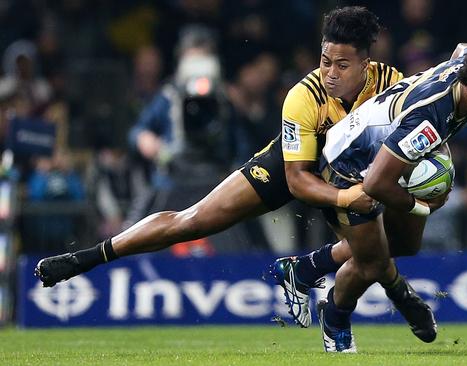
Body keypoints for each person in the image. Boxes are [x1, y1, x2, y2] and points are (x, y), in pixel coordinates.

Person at [33, 6, 401, 300]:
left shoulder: (393, 86)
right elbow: (297, 179)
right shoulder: (304, 95)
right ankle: (85, 258)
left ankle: (356, 288)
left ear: (365, 66)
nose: (329, 73)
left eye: (341, 65)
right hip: (295, 169)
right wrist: (346, 196)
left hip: (348, 176)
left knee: (380, 253)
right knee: (191, 221)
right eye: (324, 61)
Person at [306, 40, 467, 352]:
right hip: (346, 169)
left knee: (403, 246)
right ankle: (335, 317)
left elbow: (464, 48)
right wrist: (423, 207)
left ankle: (310, 266)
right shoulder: (428, 122)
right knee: (373, 262)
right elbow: (375, 184)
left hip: (374, 153)